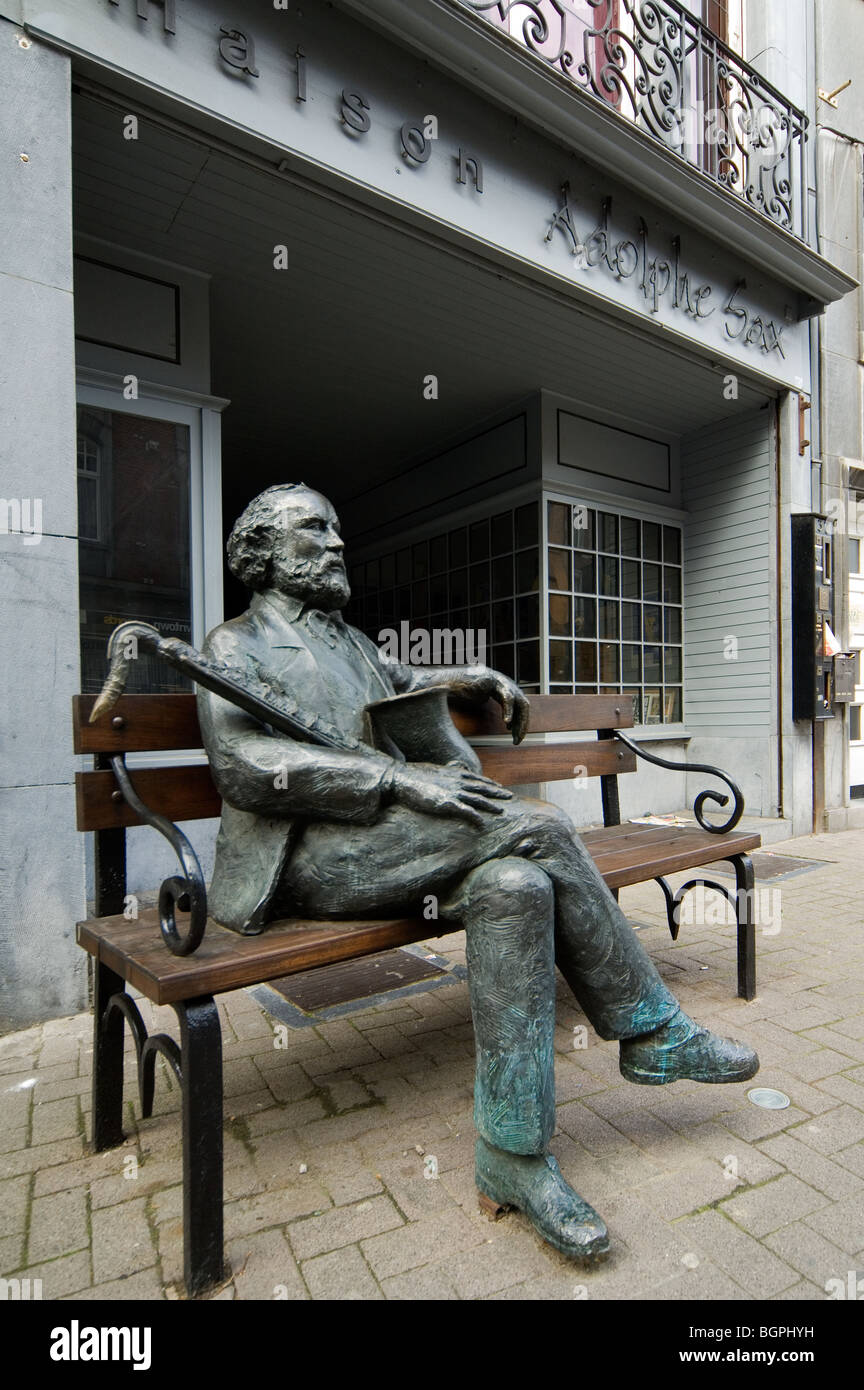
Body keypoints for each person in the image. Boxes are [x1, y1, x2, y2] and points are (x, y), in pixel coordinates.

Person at [196, 483, 759, 1263]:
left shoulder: (349, 641)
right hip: (309, 857)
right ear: (263, 553)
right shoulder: (234, 646)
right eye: (314, 529)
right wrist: (397, 782)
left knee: (515, 889)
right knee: (539, 822)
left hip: (390, 846)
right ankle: (651, 1029)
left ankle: (513, 1157)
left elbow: (400, 681)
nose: (335, 542)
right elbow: (245, 765)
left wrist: (468, 677)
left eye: (337, 527)